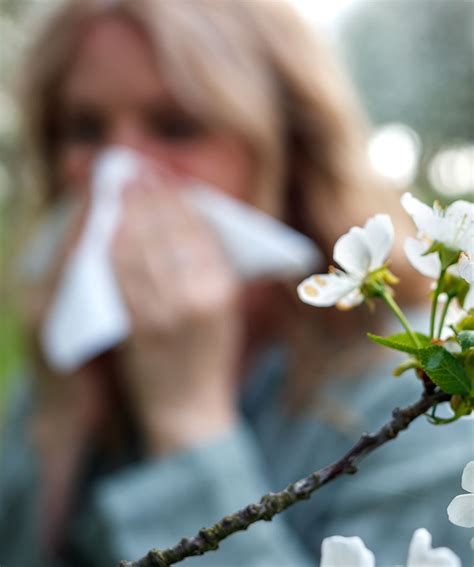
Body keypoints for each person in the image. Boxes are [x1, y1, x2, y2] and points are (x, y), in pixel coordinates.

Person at [0, 1, 471, 566]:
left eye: (175, 127)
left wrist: (186, 418)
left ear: (289, 148)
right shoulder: (79, 364)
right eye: (85, 129)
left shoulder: (422, 395)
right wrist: (58, 426)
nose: (118, 170)